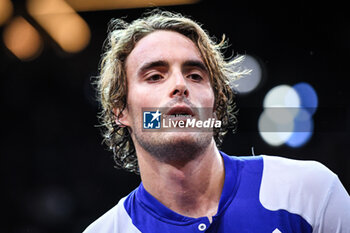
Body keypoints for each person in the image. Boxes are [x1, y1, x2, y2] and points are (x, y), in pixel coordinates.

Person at [83, 9, 350, 233]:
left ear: (215, 104)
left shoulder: (309, 192)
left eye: (195, 76)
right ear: (121, 110)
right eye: (154, 76)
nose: (180, 85)